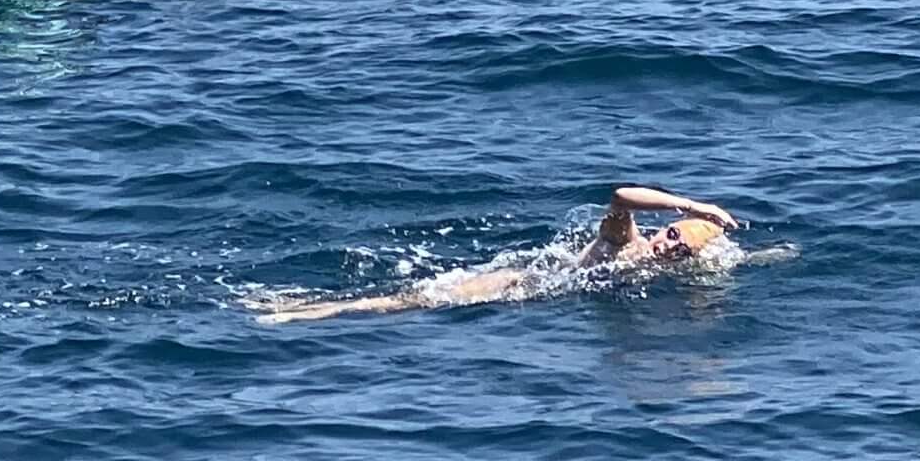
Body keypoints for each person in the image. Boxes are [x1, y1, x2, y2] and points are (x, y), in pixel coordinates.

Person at [251, 184, 742, 324]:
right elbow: (619, 195)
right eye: (672, 233)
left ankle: (301, 306)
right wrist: (694, 205)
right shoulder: (625, 242)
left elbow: (726, 265)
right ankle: (304, 312)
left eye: (680, 248)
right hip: (515, 284)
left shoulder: (661, 273)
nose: (669, 244)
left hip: (532, 302)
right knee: (408, 302)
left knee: (406, 303)